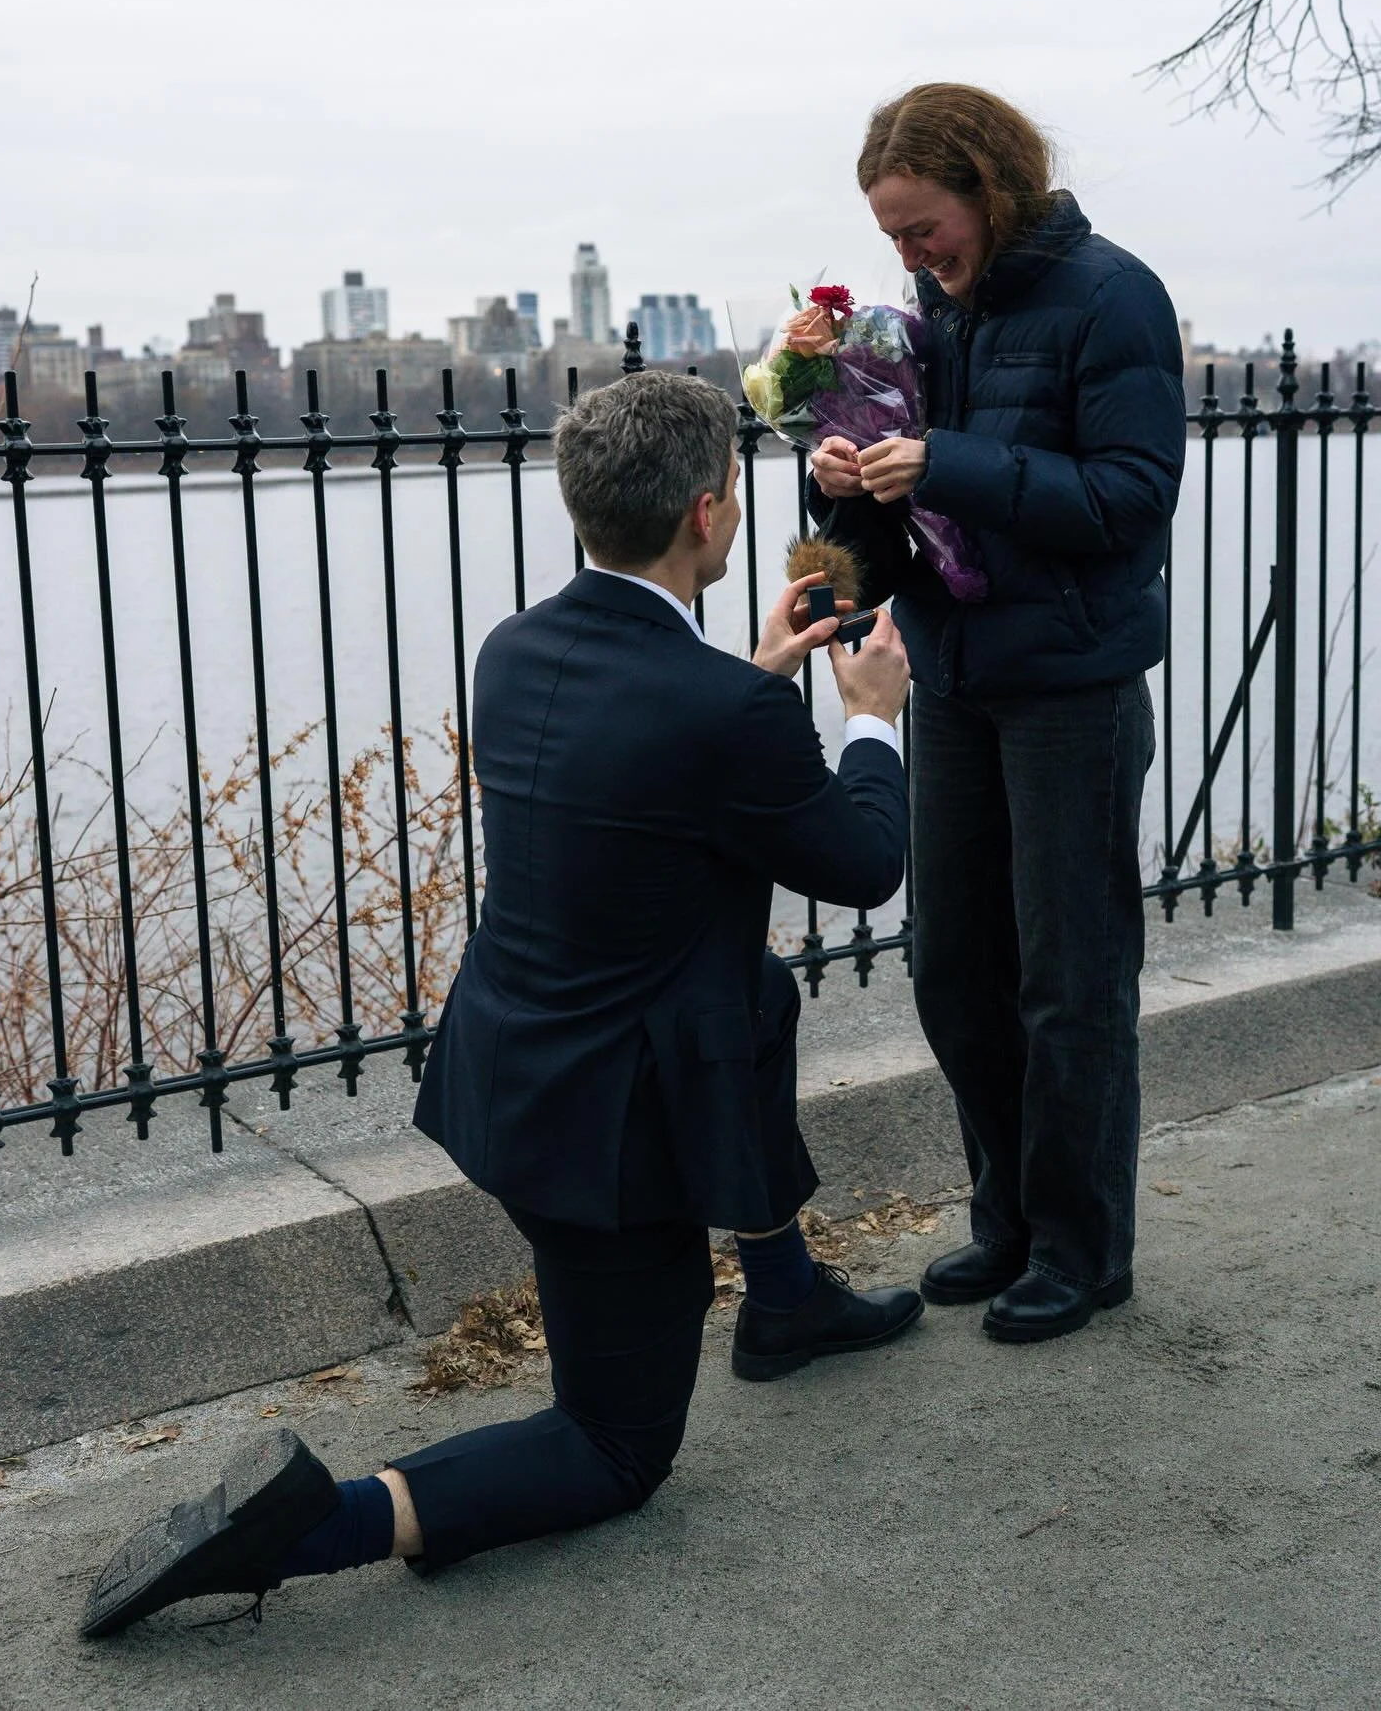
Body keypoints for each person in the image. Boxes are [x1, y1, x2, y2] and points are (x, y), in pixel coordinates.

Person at [82, 368, 917, 1639]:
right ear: (709, 514)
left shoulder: (517, 649)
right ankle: (324, 1521)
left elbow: (644, 789)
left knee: (745, 990)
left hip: (511, 1070)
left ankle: (788, 1294)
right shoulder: (721, 711)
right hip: (611, 1140)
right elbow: (863, 868)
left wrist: (754, 673)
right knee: (615, 1445)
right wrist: (866, 722)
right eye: (738, 494)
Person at [808, 83, 1185, 1344]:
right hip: (961, 678)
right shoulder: (931, 318)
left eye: (923, 229)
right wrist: (851, 494)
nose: (910, 258)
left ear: (988, 184)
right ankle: (1009, 1221)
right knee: (955, 964)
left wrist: (952, 461)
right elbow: (917, 537)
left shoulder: (1112, 295)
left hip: (1072, 686)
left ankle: (1083, 1251)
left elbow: (1131, 500)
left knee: (1071, 979)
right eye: (894, 238)